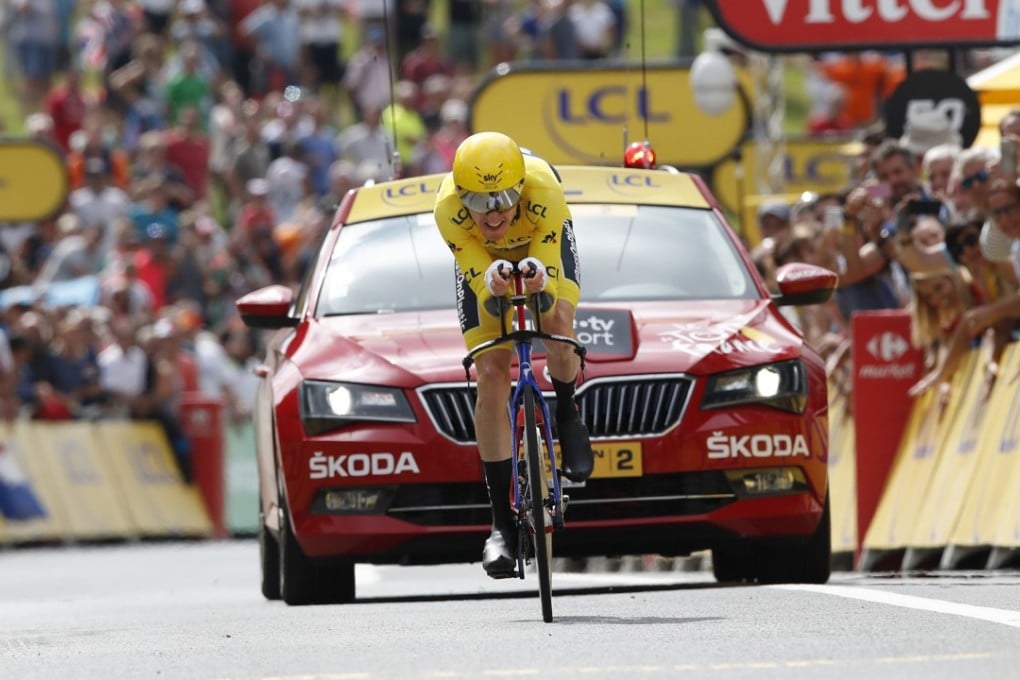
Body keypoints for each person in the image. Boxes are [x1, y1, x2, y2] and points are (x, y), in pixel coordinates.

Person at [432, 131, 593, 578]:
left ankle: (567, 410)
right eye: (480, 202)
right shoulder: (446, 209)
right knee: (490, 370)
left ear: (521, 187)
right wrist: (491, 281)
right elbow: (476, 273)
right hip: (485, 262)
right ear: (461, 197)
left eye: (505, 198)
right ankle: (500, 524)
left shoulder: (544, 188)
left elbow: (549, 271)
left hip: (542, 252)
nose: (495, 211)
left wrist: (538, 278)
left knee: (557, 321)